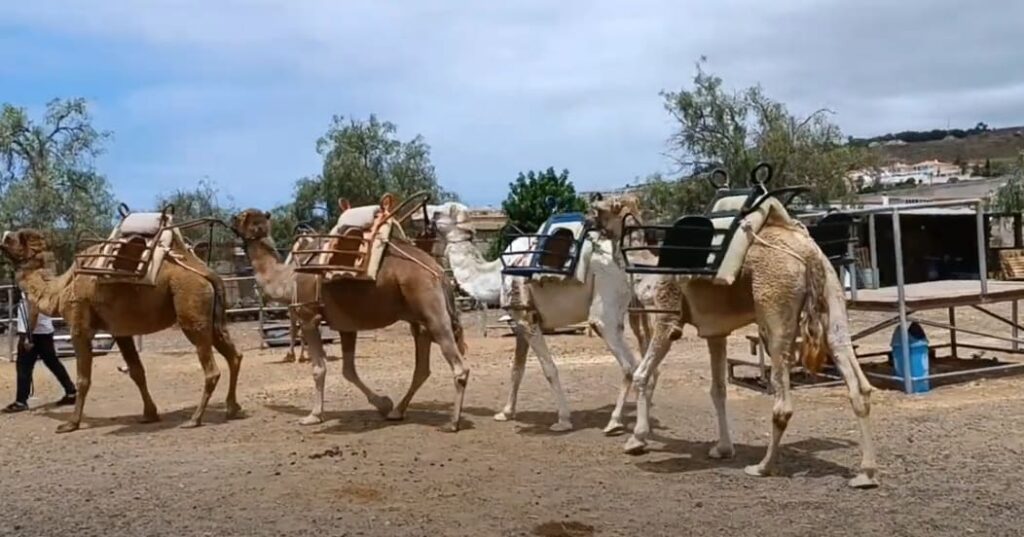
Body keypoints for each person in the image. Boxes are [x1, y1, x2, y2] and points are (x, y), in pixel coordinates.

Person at [2, 292, 77, 413]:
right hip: (43, 331)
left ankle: (21, 401)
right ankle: (71, 391)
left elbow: (34, 313)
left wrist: (28, 336)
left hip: (34, 333)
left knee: (24, 366)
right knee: (52, 363)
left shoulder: (32, 292)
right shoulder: (38, 290)